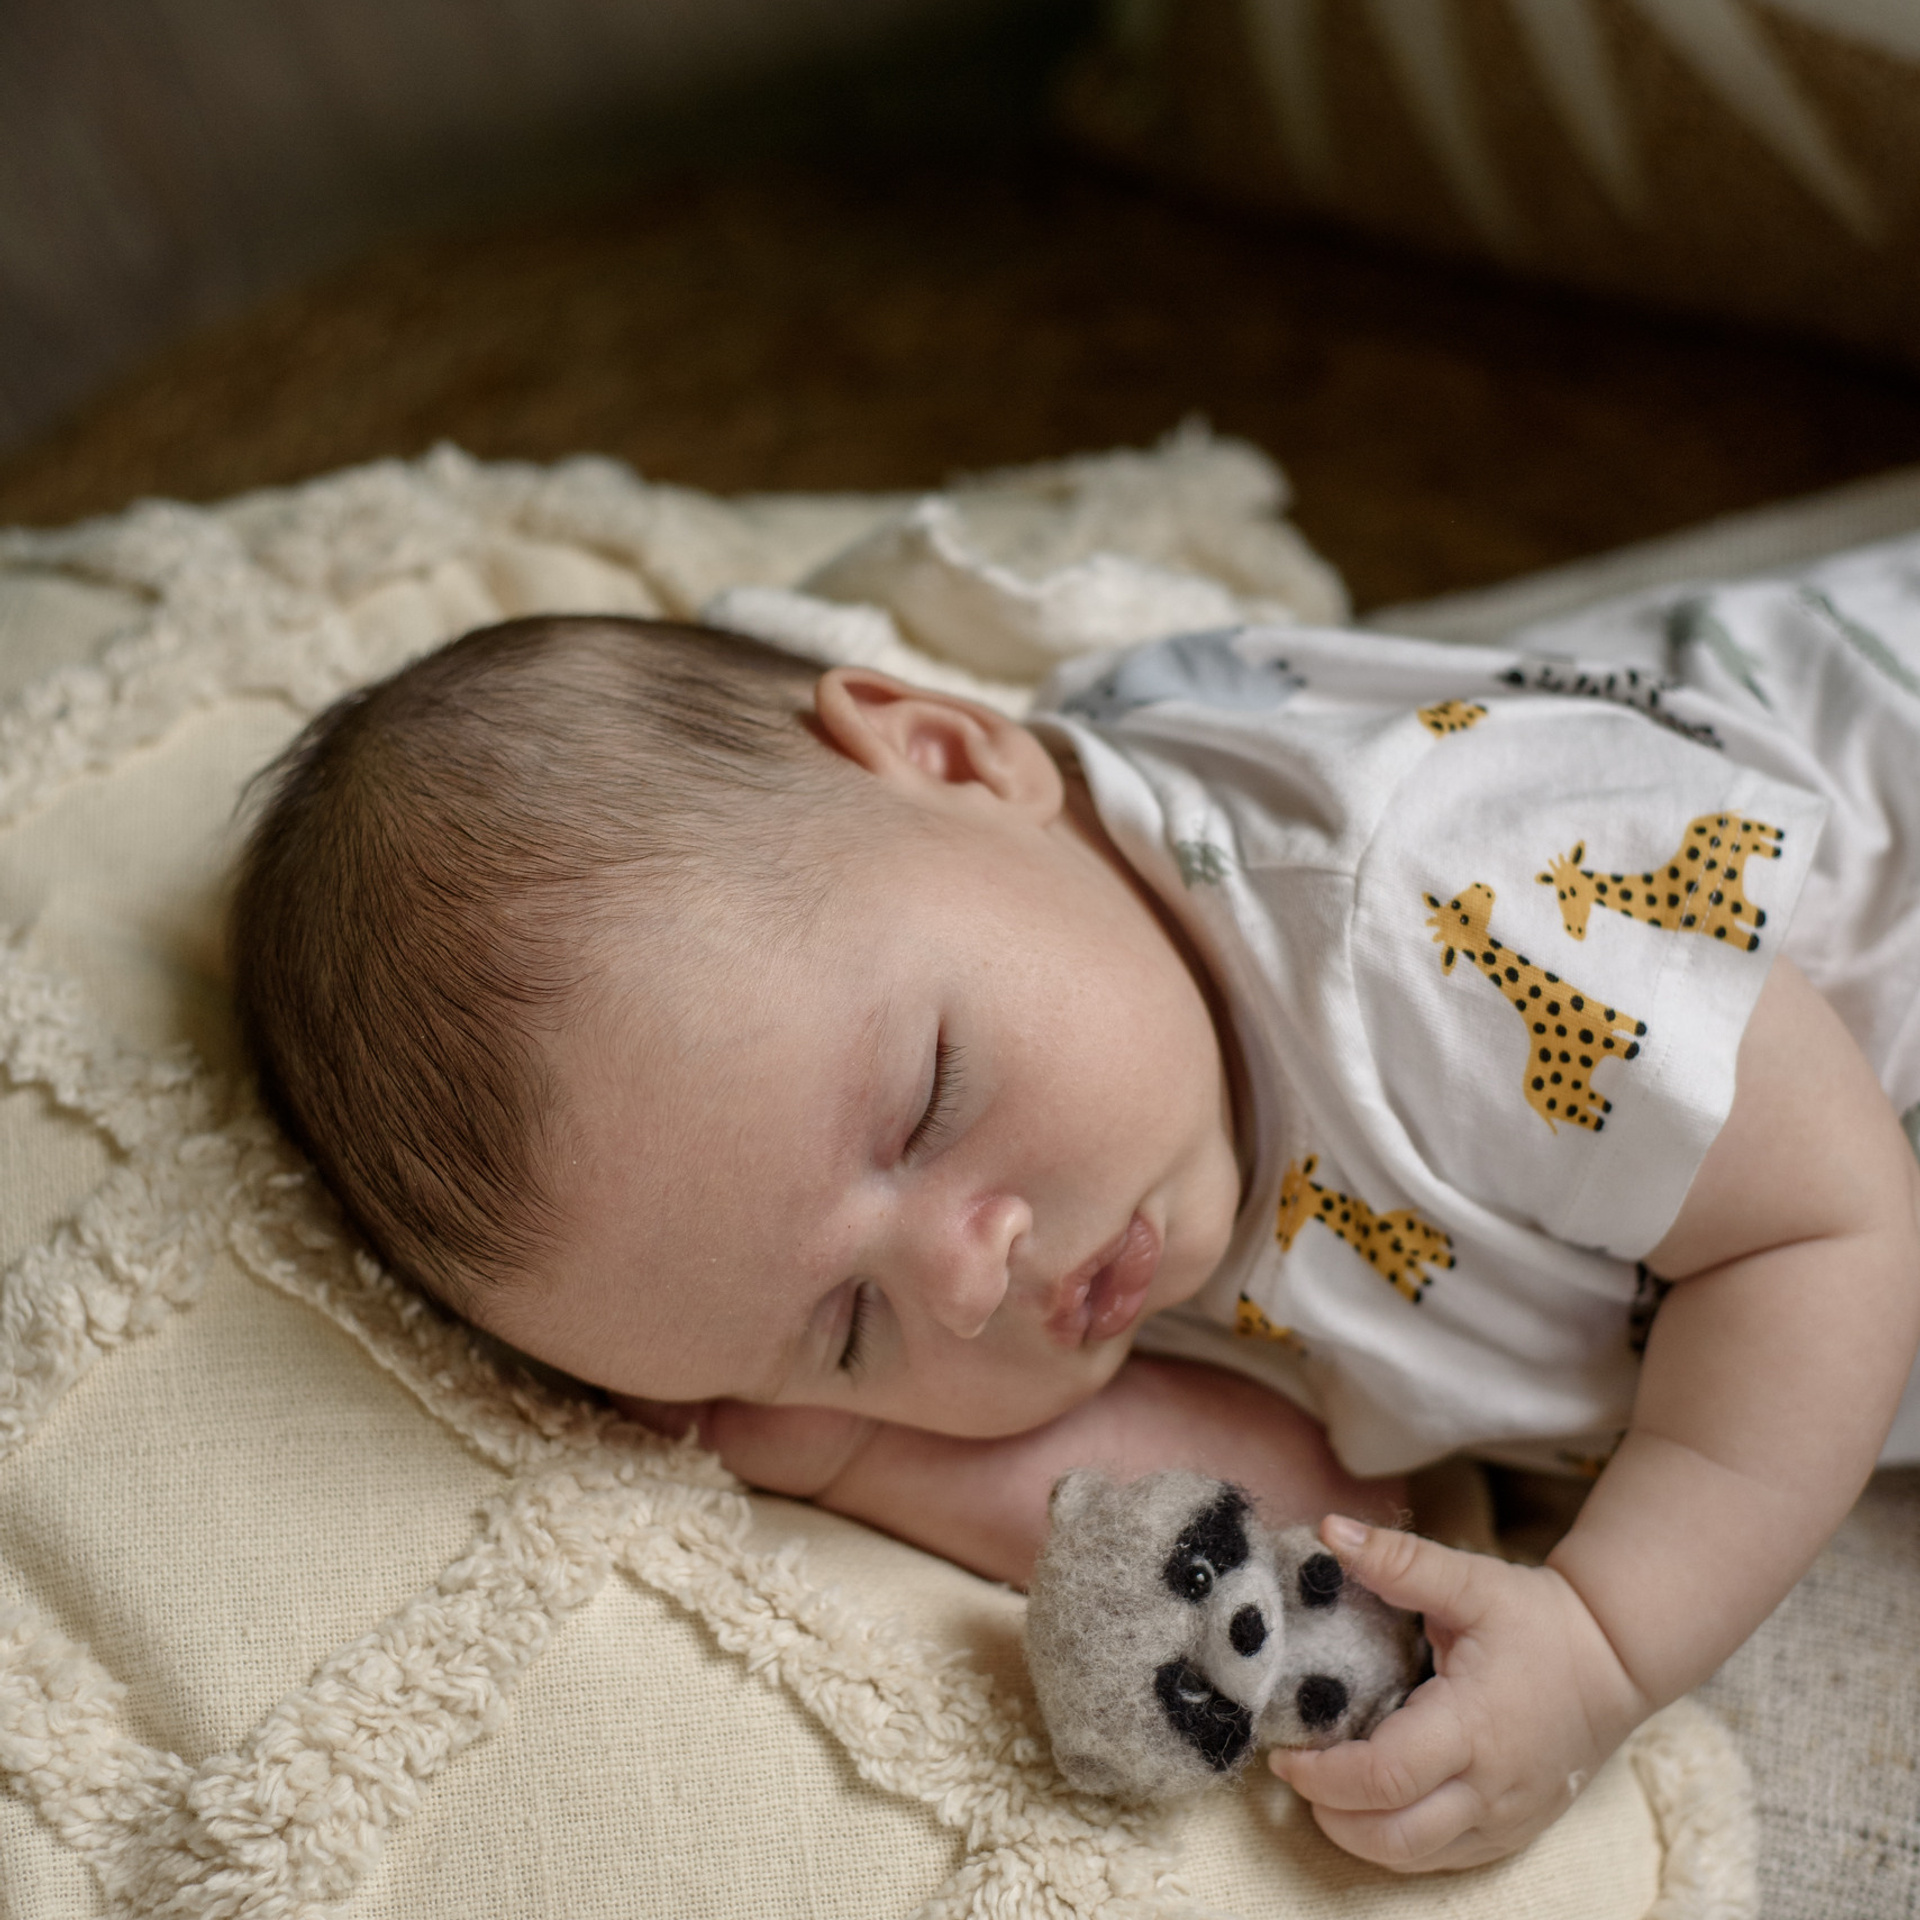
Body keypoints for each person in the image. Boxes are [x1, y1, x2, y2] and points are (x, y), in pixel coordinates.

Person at [229, 547, 1920, 1873]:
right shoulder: (1084, 1133)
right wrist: (849, 1453)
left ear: (959, 754)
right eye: (847, 1328)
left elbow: (1831, 1221)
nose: (972, 1280)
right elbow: (1343, 1504)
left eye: (926, 1102)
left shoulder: (1426, 919)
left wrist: (1613, 1635)